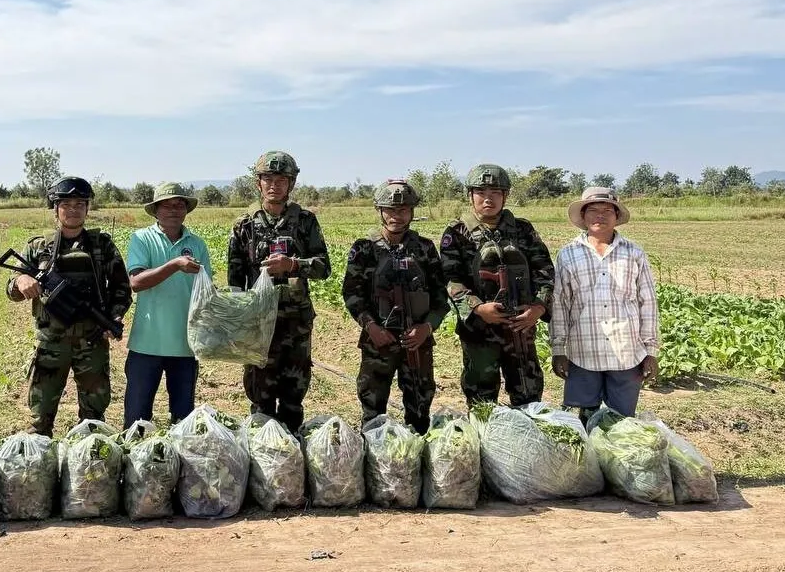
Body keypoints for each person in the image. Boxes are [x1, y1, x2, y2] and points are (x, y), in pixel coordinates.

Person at [6, 176, 131, 436]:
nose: (73, 209)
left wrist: (115, 317)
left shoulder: (102, 245)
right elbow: (11, 289)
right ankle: (40, 466)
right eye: (66, 204)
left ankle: (88, 463)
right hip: (50, 343)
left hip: (92, 342)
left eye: (79, 204)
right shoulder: (38, 247)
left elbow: (121, 288)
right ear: (56, 208)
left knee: (94, 420)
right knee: (39, 420)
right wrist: (22, 280)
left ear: (87, 208)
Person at [227, 151, 331, 433]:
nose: (274, 185)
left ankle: (292, 457)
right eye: (268, 179)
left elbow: (323, 267)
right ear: (258, 183)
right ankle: (262, 454)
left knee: (293, 397)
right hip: (259, 323)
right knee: (260, 397)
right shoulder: (244, 225)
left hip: (295, 323)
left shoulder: (306, 221)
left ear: (291, 183)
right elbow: (235, 281)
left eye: (282, 180)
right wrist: (239, 323)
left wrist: (293, 264)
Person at [439, 164, 554, 408]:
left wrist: (538, 308)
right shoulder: (457, 233)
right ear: (470, 195)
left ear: (505, 196)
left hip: (520, 327)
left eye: (495, 192)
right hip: (480, 330)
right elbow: (451, 279)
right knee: (481, 400)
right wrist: (479, 308)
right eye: (481, 192)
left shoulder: (523, 230)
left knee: (528, 397)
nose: (488, 198)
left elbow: (544, 271)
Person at [342, 180, 450, 433]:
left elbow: (440, 296)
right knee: (372, 407)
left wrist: (427, 327)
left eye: (403, 210)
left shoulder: (424, 249)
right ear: (380, 211)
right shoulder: (365, 248)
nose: (396, 216)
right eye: (390, 210)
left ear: (412, 212)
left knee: (420, 407)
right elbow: (351, 294)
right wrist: (371, 327)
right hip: (378, 340)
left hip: (417, 341)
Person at [551, 187, 660, 419]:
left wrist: (651, 351)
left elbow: (647, 302)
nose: (600, 215)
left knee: (621, 423)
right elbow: (560, 304)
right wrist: (558, 349)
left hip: (627, 353)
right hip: (583, 353)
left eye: (607, 210)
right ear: (583, 216)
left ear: (616, 216)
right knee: (579, 423)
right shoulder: (568, 254)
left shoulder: (634, 253)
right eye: (593, 210)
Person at [123, 182, 213, 428]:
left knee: (183, 422)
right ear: (156, 211)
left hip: (185, 344)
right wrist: (174, 265)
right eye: (167, 205)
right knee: (136, 421)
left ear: (186, 210)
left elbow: (206, 291)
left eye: (180, 204)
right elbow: (137, 282)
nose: (174, 210)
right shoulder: (142, 239)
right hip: (146, 343)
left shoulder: (197, 244)